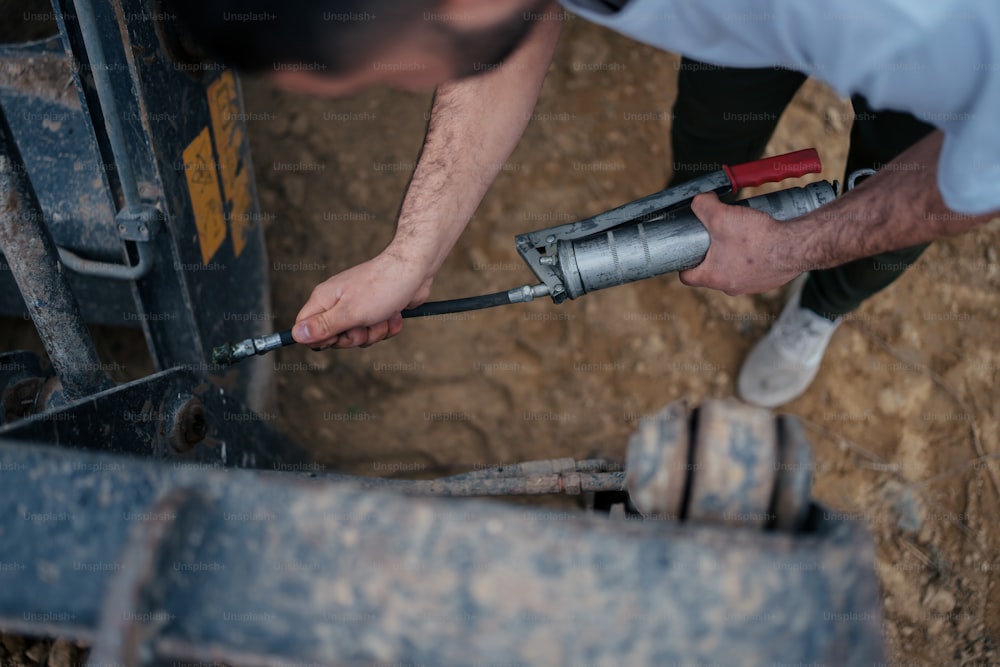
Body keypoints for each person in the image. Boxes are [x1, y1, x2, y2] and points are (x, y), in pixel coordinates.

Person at [172, 0, 1000, 406]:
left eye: (390, 75)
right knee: (713, 147)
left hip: (958, 93)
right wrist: (410, 255)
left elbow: (974, 181)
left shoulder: (927, 25)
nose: (411, 89)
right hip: (757, 20)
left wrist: (791, 249)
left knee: (873, 214)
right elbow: (502, 34)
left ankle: (821, 306)